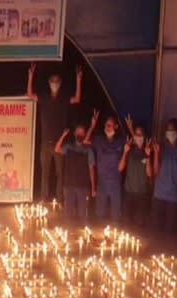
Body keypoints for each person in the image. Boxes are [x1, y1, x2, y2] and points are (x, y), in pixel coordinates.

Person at [27, 62, 83, 203]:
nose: (55, 83)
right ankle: (44, 198)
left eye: (57, 81)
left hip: (60, 143)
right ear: (49, 82)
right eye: (52, 81)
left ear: (60, 82)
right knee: (44, 173)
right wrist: (30, 76)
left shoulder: (64, 98)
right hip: (45, 142)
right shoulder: (44, 97)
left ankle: (59, 199)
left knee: (60, 173)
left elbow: (77, 99)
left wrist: (78, 80)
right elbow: (30, 95)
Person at [85, 113, 124, 223]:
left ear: (116, 127)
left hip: (115, 183)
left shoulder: (120, 141)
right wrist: (92, 126)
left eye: (110, 125)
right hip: (102, 183)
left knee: (115, 216)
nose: (108, 127)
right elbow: (85, 141)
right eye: (106, 125)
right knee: (100, 215)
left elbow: (134, 143)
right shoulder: (99, 140)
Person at [151, 118, 177, 234]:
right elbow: (155, 171)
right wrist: (156, 153)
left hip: (174, 197)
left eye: (173, 130)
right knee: (156, 230)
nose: (170, 132)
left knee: (169, 232)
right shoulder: (160, 146)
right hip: (159, 195)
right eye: (168, 130)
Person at [55, 125, 96, 222]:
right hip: (69, 185)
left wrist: (93, 187)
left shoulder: (88, 150)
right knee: (68, 215)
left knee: (83, 216)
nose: (80, 134)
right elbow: (57, 149)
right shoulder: (68, 147)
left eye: (82, 133)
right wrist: (63, 136)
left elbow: (91, 169)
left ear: (84, 135)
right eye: (78, 132)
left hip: (83, 186)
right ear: (74, 134)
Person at [118, 123, 152, 227]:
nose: (138, 137)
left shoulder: (147, 151)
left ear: (144, 136)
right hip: (128, 192)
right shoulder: (129, 150)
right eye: (136, 135)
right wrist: (125, 152)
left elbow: (150, 174)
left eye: (140, 135)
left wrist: (148, 156)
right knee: (126, 224)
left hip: (141, 194)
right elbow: (120, 168)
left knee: (139, 225)